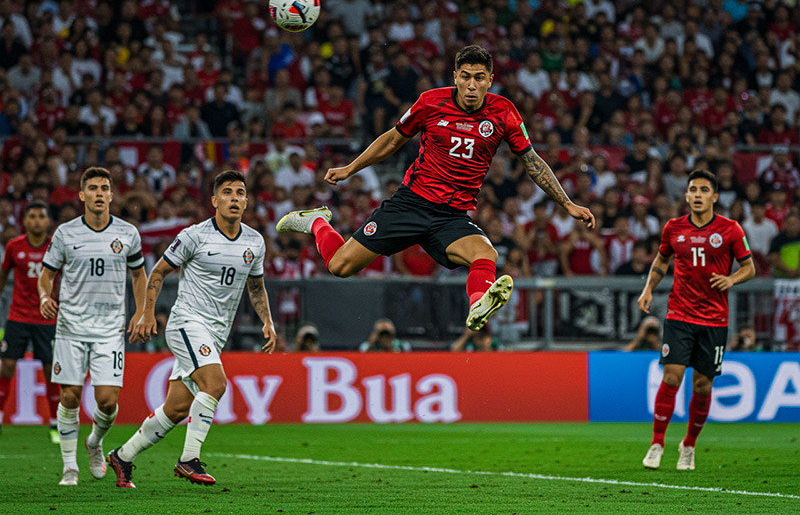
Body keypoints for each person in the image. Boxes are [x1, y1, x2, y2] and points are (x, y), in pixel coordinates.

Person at [276, 45, 594, 332]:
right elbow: (392, 139)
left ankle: (478, 305)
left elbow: (532, 162)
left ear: (490, 80)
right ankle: (317, 221)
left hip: (451, 216)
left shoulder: (504, 112)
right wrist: (350, 168)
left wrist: (567, 204)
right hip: (411, 204)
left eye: (479, 78)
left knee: (486, 254)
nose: (472, 84)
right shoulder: (430, 102)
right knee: (339, 266)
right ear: (455, 76)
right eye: (466, 76)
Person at [107, 170, 276, 488]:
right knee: (215, 384)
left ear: (246, 201)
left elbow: (256, 286)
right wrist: (146, 313)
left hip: (216, 332)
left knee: (176, 408)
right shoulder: (194, 236)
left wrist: (267, 320)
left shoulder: (255, 241)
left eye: (240, 193)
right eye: (227, 192)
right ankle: (188, 460)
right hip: (186, 322)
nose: (235, 198)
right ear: (214, 200)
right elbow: (158, 272)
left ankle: (122, 456)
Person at [637, 170, 755, 471]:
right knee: (672, 377)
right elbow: (663, 258)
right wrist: (649, 288)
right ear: (687, 196)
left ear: (714, 196)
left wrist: (731, 279)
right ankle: (657, 443)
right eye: (693, 189)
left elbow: (749, 267)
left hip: (714, 319)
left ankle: (688, 445)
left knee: (702, 385)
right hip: (679, 314)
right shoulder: (673, 228)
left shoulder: (730, 229)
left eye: (704, 190)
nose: (698, 194)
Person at [38, 167, 147, 486]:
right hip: (71, 327)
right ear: (82, 195)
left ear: (112, 195)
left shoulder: (128, 233)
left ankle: (95, 443)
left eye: (104, 188)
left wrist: (141, 312)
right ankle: (69, 467)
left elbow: (139, 275)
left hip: (109, 329)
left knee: (107, 401)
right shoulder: (65, 233)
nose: (99, 193)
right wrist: (45, 295)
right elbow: (46, 274)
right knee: (69, 397)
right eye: (93, 188)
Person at [0, 202, 60, 442]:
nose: (36, 220)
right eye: (32, 216)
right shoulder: (15, 246)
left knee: (50, 370)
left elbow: (65, 277)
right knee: (6, 367)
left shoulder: (56, 247)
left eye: (41, 216)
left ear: (48, 222)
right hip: (18, 317)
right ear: (25, 221)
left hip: (47, 318)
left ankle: (55, 425)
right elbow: (3, 275)